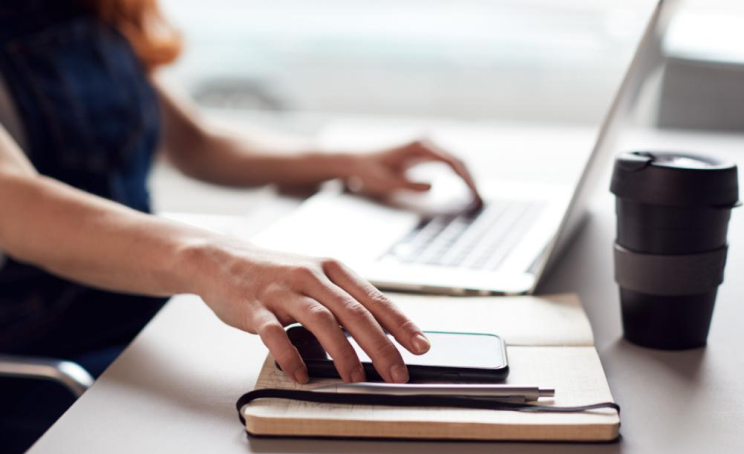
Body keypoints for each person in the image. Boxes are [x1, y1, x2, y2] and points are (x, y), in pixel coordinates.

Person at [0, 0, 481, 387]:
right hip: (56, 363)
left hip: (148, 322)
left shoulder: (86, 12)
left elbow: (199, 144)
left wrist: (346, 161)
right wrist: (216, 261)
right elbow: (16, 202)